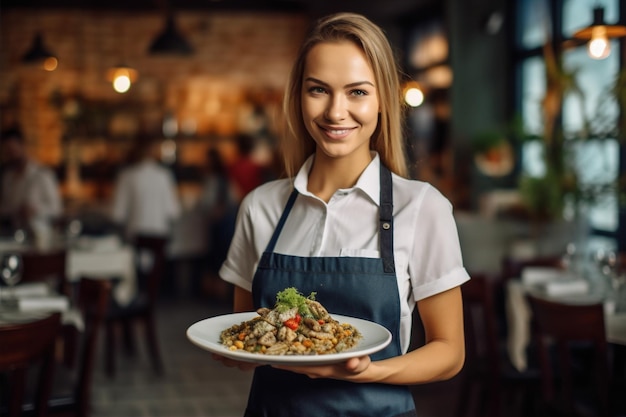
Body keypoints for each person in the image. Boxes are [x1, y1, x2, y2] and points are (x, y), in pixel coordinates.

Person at [213, 12, 469, 417]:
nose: (336, 112)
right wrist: (232, 350)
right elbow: (243, 338)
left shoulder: (422, 207)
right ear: (299, 95)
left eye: (357, 92)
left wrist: (367, 373)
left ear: (383, 98)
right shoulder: (260, 207)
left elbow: (449, 353)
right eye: (319, 90)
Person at [111, 133, 181, 242]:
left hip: (136, 233)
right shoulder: (164, 175)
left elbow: (117, 214)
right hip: (160, 233)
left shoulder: (127, 175)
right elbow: (173, 211)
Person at [0, 127, 63, 237]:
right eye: (8, 152)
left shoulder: (42, 174)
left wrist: (35, 210)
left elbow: (57, 209)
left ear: (23, 146)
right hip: (15, 234)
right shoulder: (8, 177)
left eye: (13, 151)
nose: (11, 156)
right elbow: (6, 207)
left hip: (40, 234)